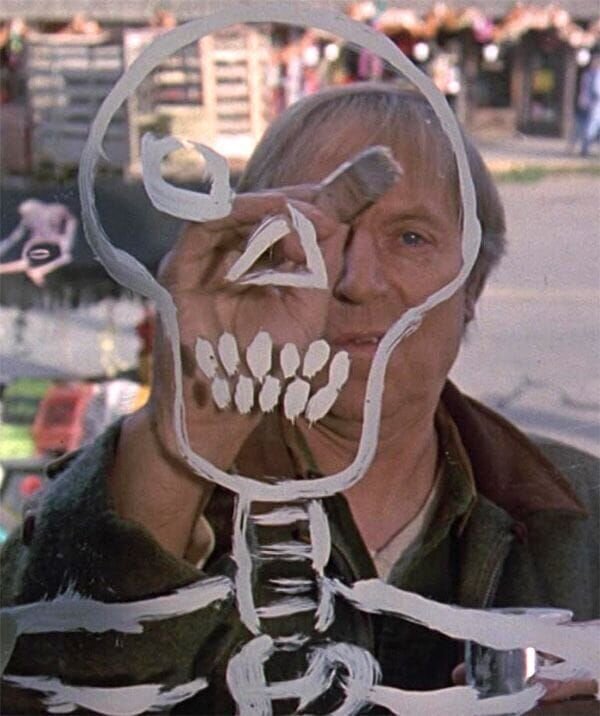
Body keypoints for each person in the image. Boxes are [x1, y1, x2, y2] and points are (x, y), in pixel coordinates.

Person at [1, 84, 598, 714]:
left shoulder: (580, 509)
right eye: (317, 233)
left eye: (410, 238)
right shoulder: (146, 484)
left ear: (472, 286)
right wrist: (180, 445)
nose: (357, 281)